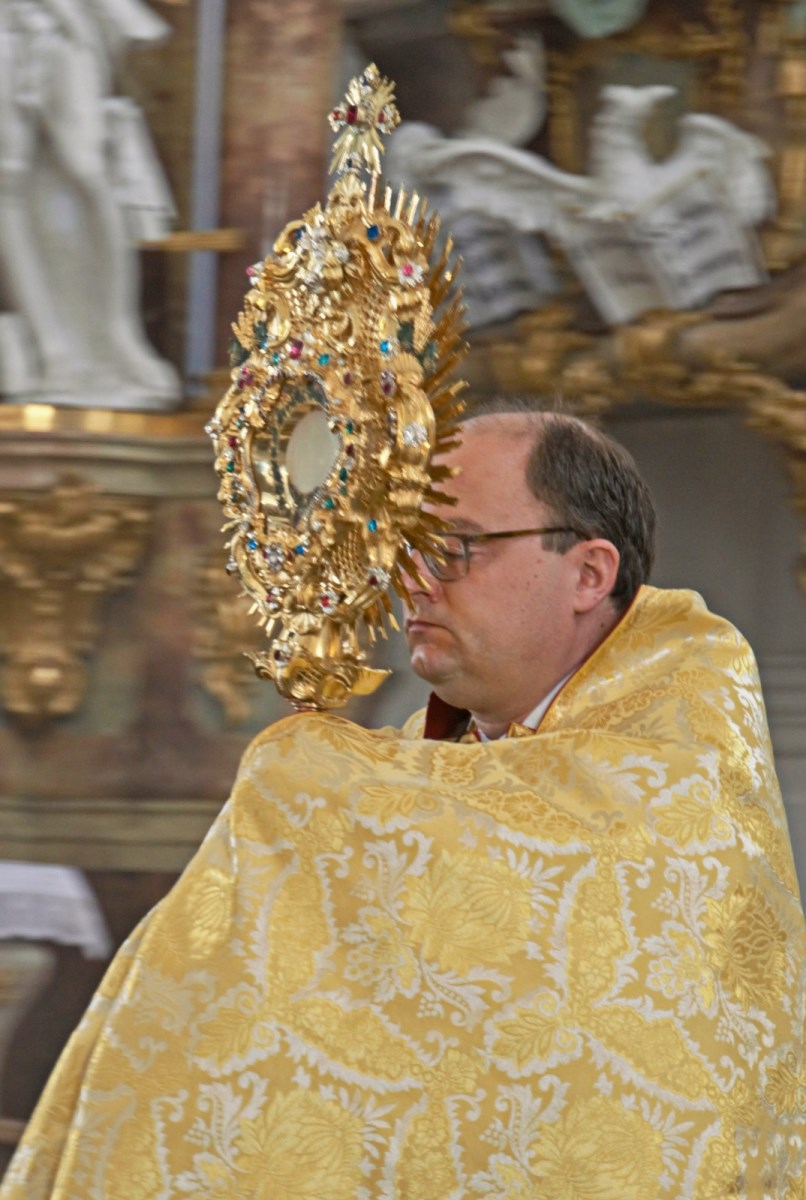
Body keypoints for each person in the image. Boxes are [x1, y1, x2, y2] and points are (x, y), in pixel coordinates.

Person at [3, 401, 805, 1199]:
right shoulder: (431, 756)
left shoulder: (675, 758)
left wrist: (306, 770)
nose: (411, 578)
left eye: (457, 548)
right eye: (405, 545)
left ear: (589, 574)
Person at [0, 0, 179, 404]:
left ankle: (120, 333)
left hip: (62, 26)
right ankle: (52, 349)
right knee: (9, 183)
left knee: (88, 170)